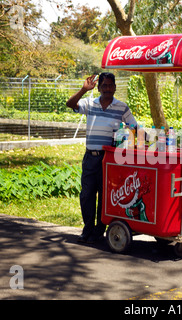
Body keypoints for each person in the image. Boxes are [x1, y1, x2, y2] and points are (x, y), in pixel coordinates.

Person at [66, 73, 138, 243]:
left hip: (109, 159)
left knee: (105, 195)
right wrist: (84, 89)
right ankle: (87, 228)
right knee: (87, 195)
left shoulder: (122, 108)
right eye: (104, 86)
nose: (107, 89)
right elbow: (70, 104)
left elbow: (134, 127)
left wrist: (129, 143)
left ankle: (99, 230)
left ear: (114, 87)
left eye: (110, 86)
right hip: (91, 157)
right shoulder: (90, 103)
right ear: (98, 88)